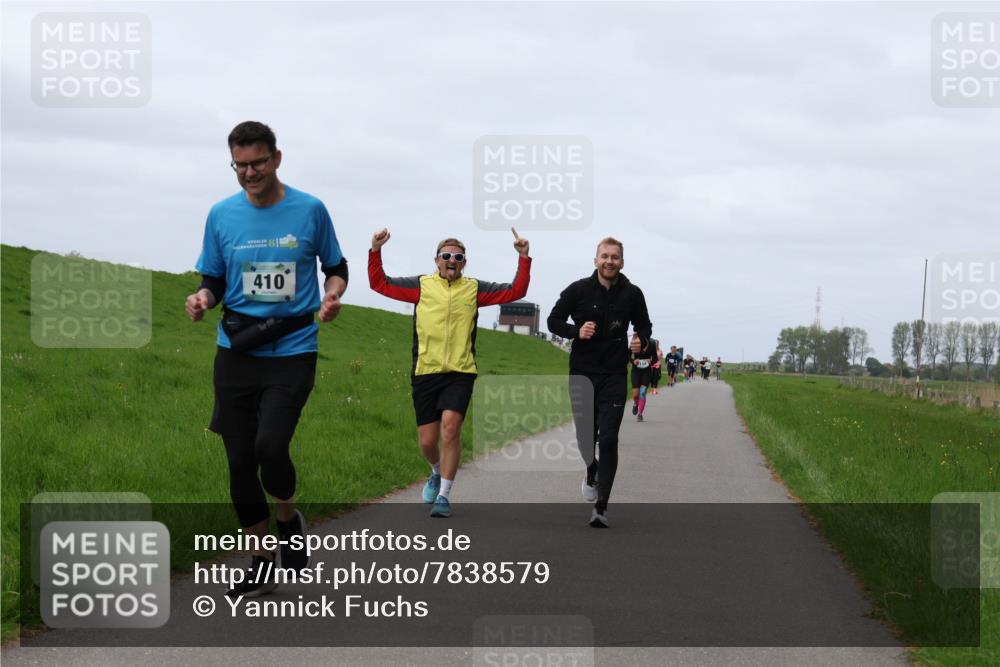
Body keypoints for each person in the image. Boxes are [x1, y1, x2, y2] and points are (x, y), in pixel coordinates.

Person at [185, 121, 348, 598]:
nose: (250, 172)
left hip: (292, 349)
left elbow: (334, 268)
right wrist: (201, 299)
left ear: (277, 158)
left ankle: (288, 517)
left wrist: (332, 296)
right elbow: (211, 278)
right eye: (240, 165)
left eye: (257, 162)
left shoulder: (310, 210)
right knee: (238, 461)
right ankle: (260, 560)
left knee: (269, 448)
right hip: (236, 350)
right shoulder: (221, 215)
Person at [369, 227, 530, 518]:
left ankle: (444, 495)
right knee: (428, 442)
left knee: (451, 429)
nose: (451, 260)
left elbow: (516, 291)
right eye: (446, 255)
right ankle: (434, 471)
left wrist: (523, 257)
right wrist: (376, 250)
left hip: (461, 371)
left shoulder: (474, 288)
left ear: (465, 262)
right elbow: (379, 284)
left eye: (458, 256)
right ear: (437, 260)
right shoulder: (421, 286)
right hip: (425, 371)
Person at [547, 237, 652, 528]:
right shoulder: (578, 290)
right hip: (582, 372)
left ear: (622, 262)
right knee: (584, 439)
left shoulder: (632, 294)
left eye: (615, 257)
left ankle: (601, 506)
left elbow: (645, 325)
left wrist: (639, 339)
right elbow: (553, 321)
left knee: (607, 438)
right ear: (595, 261)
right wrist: (576, 331)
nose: (609, 261)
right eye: (604, 256)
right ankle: (591, 471)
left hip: (615, 374)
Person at [630, 338, 657, 422]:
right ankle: (636, 403)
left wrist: (651, 361)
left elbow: (655, 358)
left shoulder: (652, 343)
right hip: (636, 371)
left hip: (646, 371)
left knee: (642, 392)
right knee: (635, 395)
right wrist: (633, 361)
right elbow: (627, 355)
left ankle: (640, 414)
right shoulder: (635, 341)